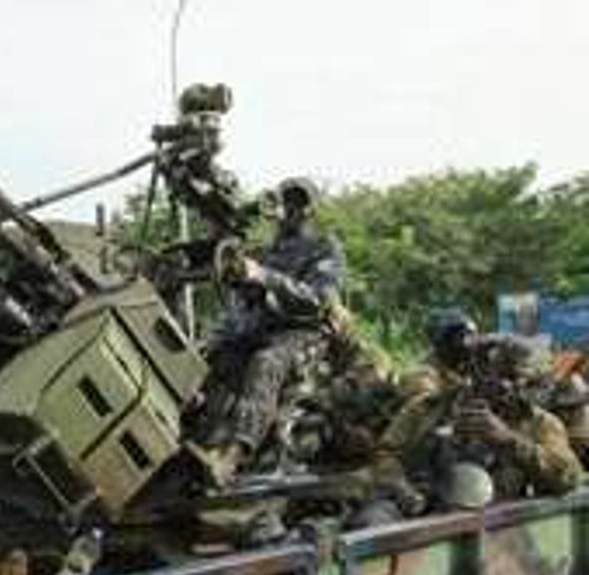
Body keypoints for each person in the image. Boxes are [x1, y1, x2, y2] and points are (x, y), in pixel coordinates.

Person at [193, 176, 347, 487]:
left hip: (302, 335)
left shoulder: (322, 248)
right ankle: (195, 445)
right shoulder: (263, 252)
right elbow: (241, 305)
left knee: (266, 363)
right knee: (208, 362)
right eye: (287, 200)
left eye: (299, 201)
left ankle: (232, 456)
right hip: (257, 331)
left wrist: (265, 277)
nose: (292, 208)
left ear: (310, 209)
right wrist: (241, 279)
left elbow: (315, 300)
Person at [373, 319, 581, 512]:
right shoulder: (426, 408)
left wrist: (509, 440)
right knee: (374, 516)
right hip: (419, 514)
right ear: (472, 371)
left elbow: (569, 477)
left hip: (495, 526)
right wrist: (400, 486)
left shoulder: (539, 422)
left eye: (517, 378)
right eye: (497, 376)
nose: (507, 386)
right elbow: (385, 454)